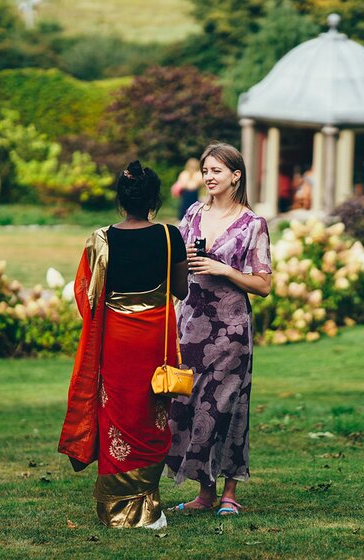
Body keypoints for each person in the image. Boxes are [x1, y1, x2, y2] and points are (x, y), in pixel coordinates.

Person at [59, 160, 188, 530]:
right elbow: (180, 290)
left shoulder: (101, 239)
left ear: (121, 199)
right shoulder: (169, 236)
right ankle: (149, 506)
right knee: (152, 416)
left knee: (116, 415)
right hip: (155, 339)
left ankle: (116, 510)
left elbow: (86, 296)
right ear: (154, 199)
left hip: (116, 337)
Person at [167, 142, 272, 516]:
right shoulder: (193, 213)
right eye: (205, 170)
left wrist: (226, 270)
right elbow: (176, 264)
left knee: (227, 406)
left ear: (235, 175)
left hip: (231, 330)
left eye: (216, 171)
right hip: (191, 323)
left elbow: (263, 285)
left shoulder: (252, 224)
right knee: (190, 405)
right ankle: (204, 492)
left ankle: (229, 493)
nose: (209, 177)